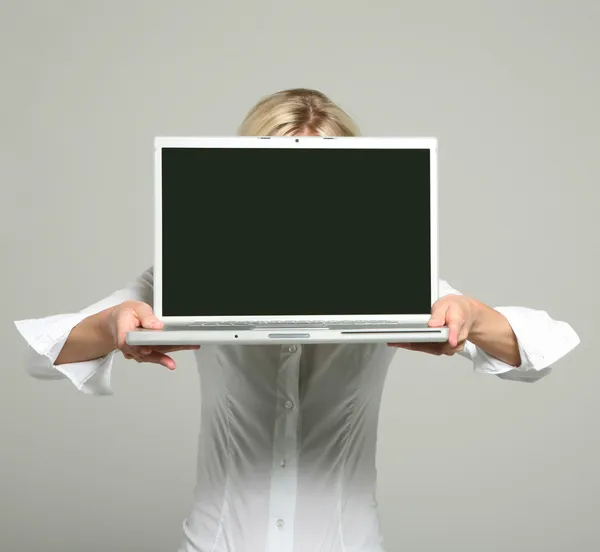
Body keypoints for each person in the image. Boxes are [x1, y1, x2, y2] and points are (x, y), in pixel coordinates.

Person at [14, 88, 580, 552]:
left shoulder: (395, 278)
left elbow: (538, 356)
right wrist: (115, 327)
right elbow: (41, 358)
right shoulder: (188, 274)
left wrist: (473, 318)